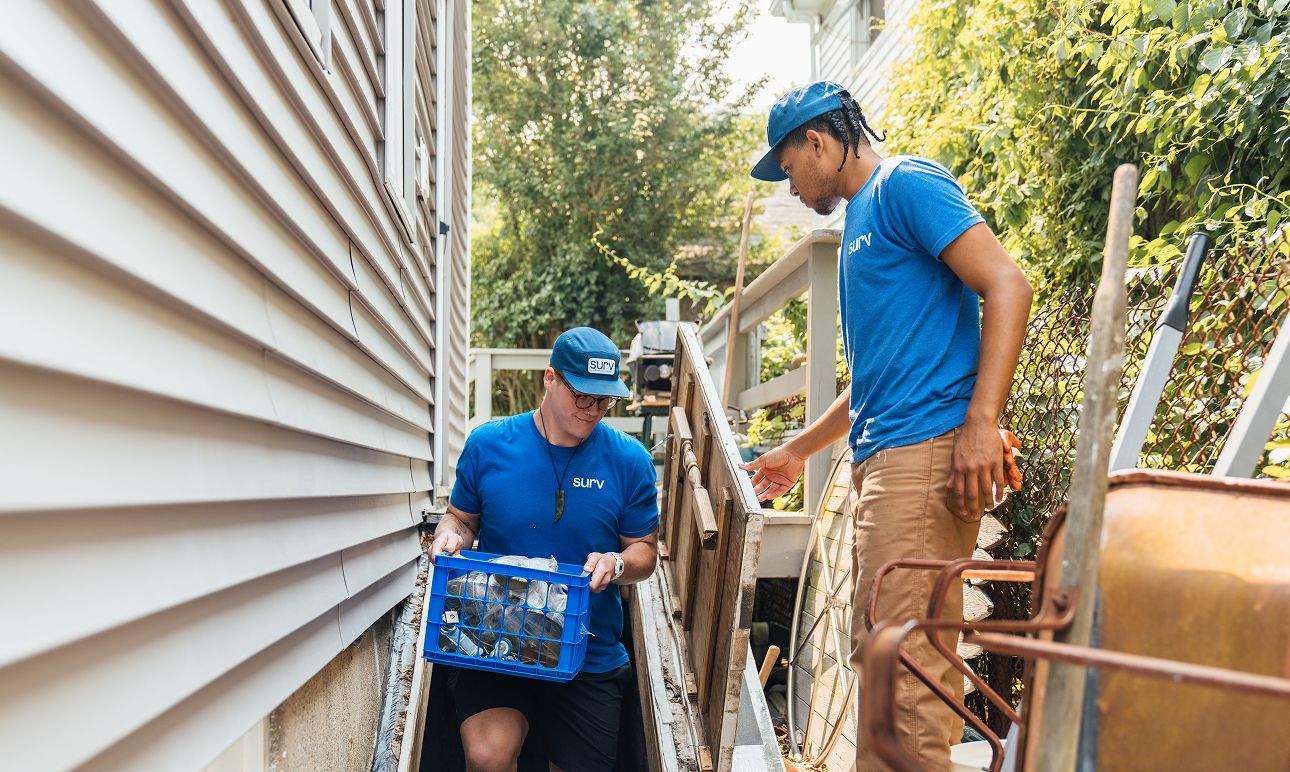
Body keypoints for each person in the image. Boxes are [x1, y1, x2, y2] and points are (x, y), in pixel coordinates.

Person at [741, 81, 1034, 770]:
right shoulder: (860, 222)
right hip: (887, 459)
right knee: (888, 665)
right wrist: (797, 450)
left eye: (789, 168)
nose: (791, 187)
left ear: (817, 142)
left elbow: (1008, 284)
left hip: (920, 457)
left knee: (902, 677)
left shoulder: (906, 185)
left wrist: (982, 424)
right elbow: (877, 377)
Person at [430, 326, 659, 772]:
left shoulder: (630, 461)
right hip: (496, 639)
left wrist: (615, 562)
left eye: (605, 401)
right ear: (550, 378)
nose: (593, 411)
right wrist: (450, 535)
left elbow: (644, 551)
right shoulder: (488, 445)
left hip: (587, 649)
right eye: (583, 396)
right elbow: (461, 518)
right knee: (487, 757)